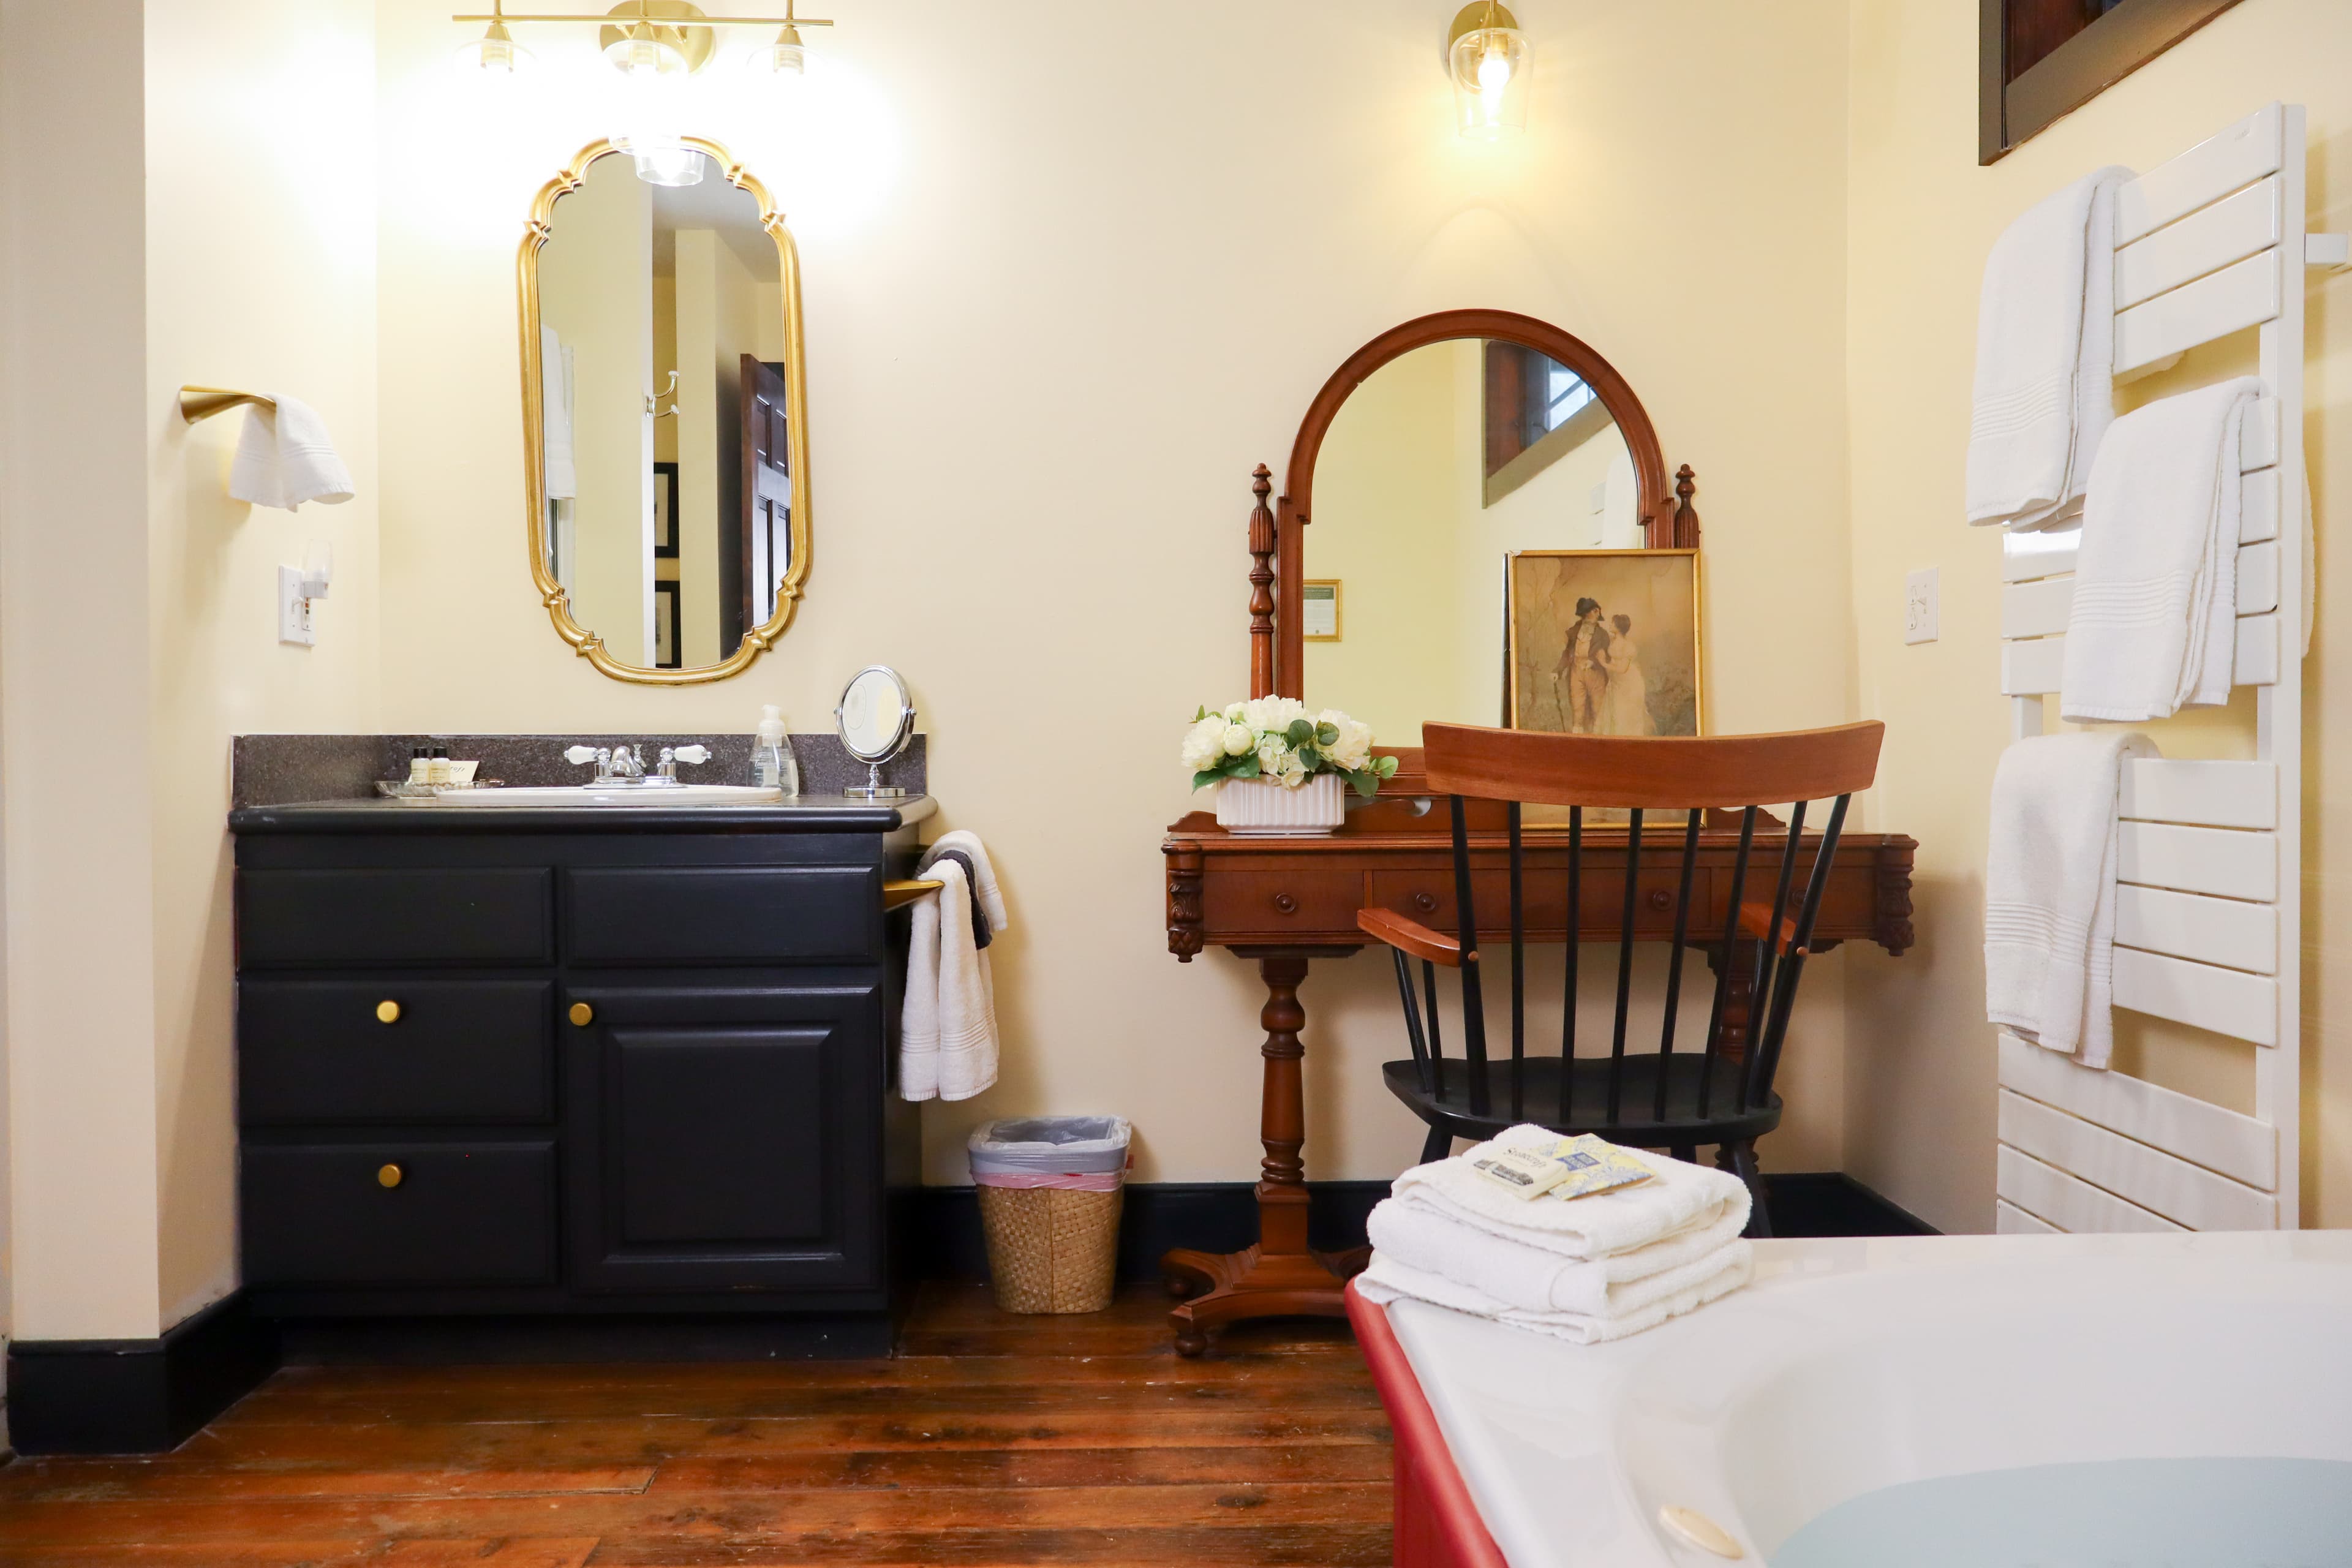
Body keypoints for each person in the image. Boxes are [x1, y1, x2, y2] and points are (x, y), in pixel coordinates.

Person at [1553, 598, 1611, 734]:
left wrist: (1593, 661)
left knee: (1598, 710)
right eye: (1595, 611)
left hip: (1596, 675)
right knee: (1578, 709)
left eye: (1598, 611)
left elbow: (1608, 657)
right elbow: (1567, 654)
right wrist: (1557, 671)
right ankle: (1577, 739)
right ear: (1586, 613)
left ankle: (1599, 741)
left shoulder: (1603, 635)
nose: (1598, 614)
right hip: (1576, 673)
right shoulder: (1574, 632)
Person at [1600, 614, 1651, 736]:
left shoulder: (1628, 646)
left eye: (1612, 623)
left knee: (1624, 715)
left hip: (1628, 684)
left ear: (1619, 627)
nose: (1610, 625)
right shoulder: (1612, 641)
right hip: (1615, 682)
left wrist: (1603, 663)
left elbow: (1622, 669)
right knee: (1614, 713)